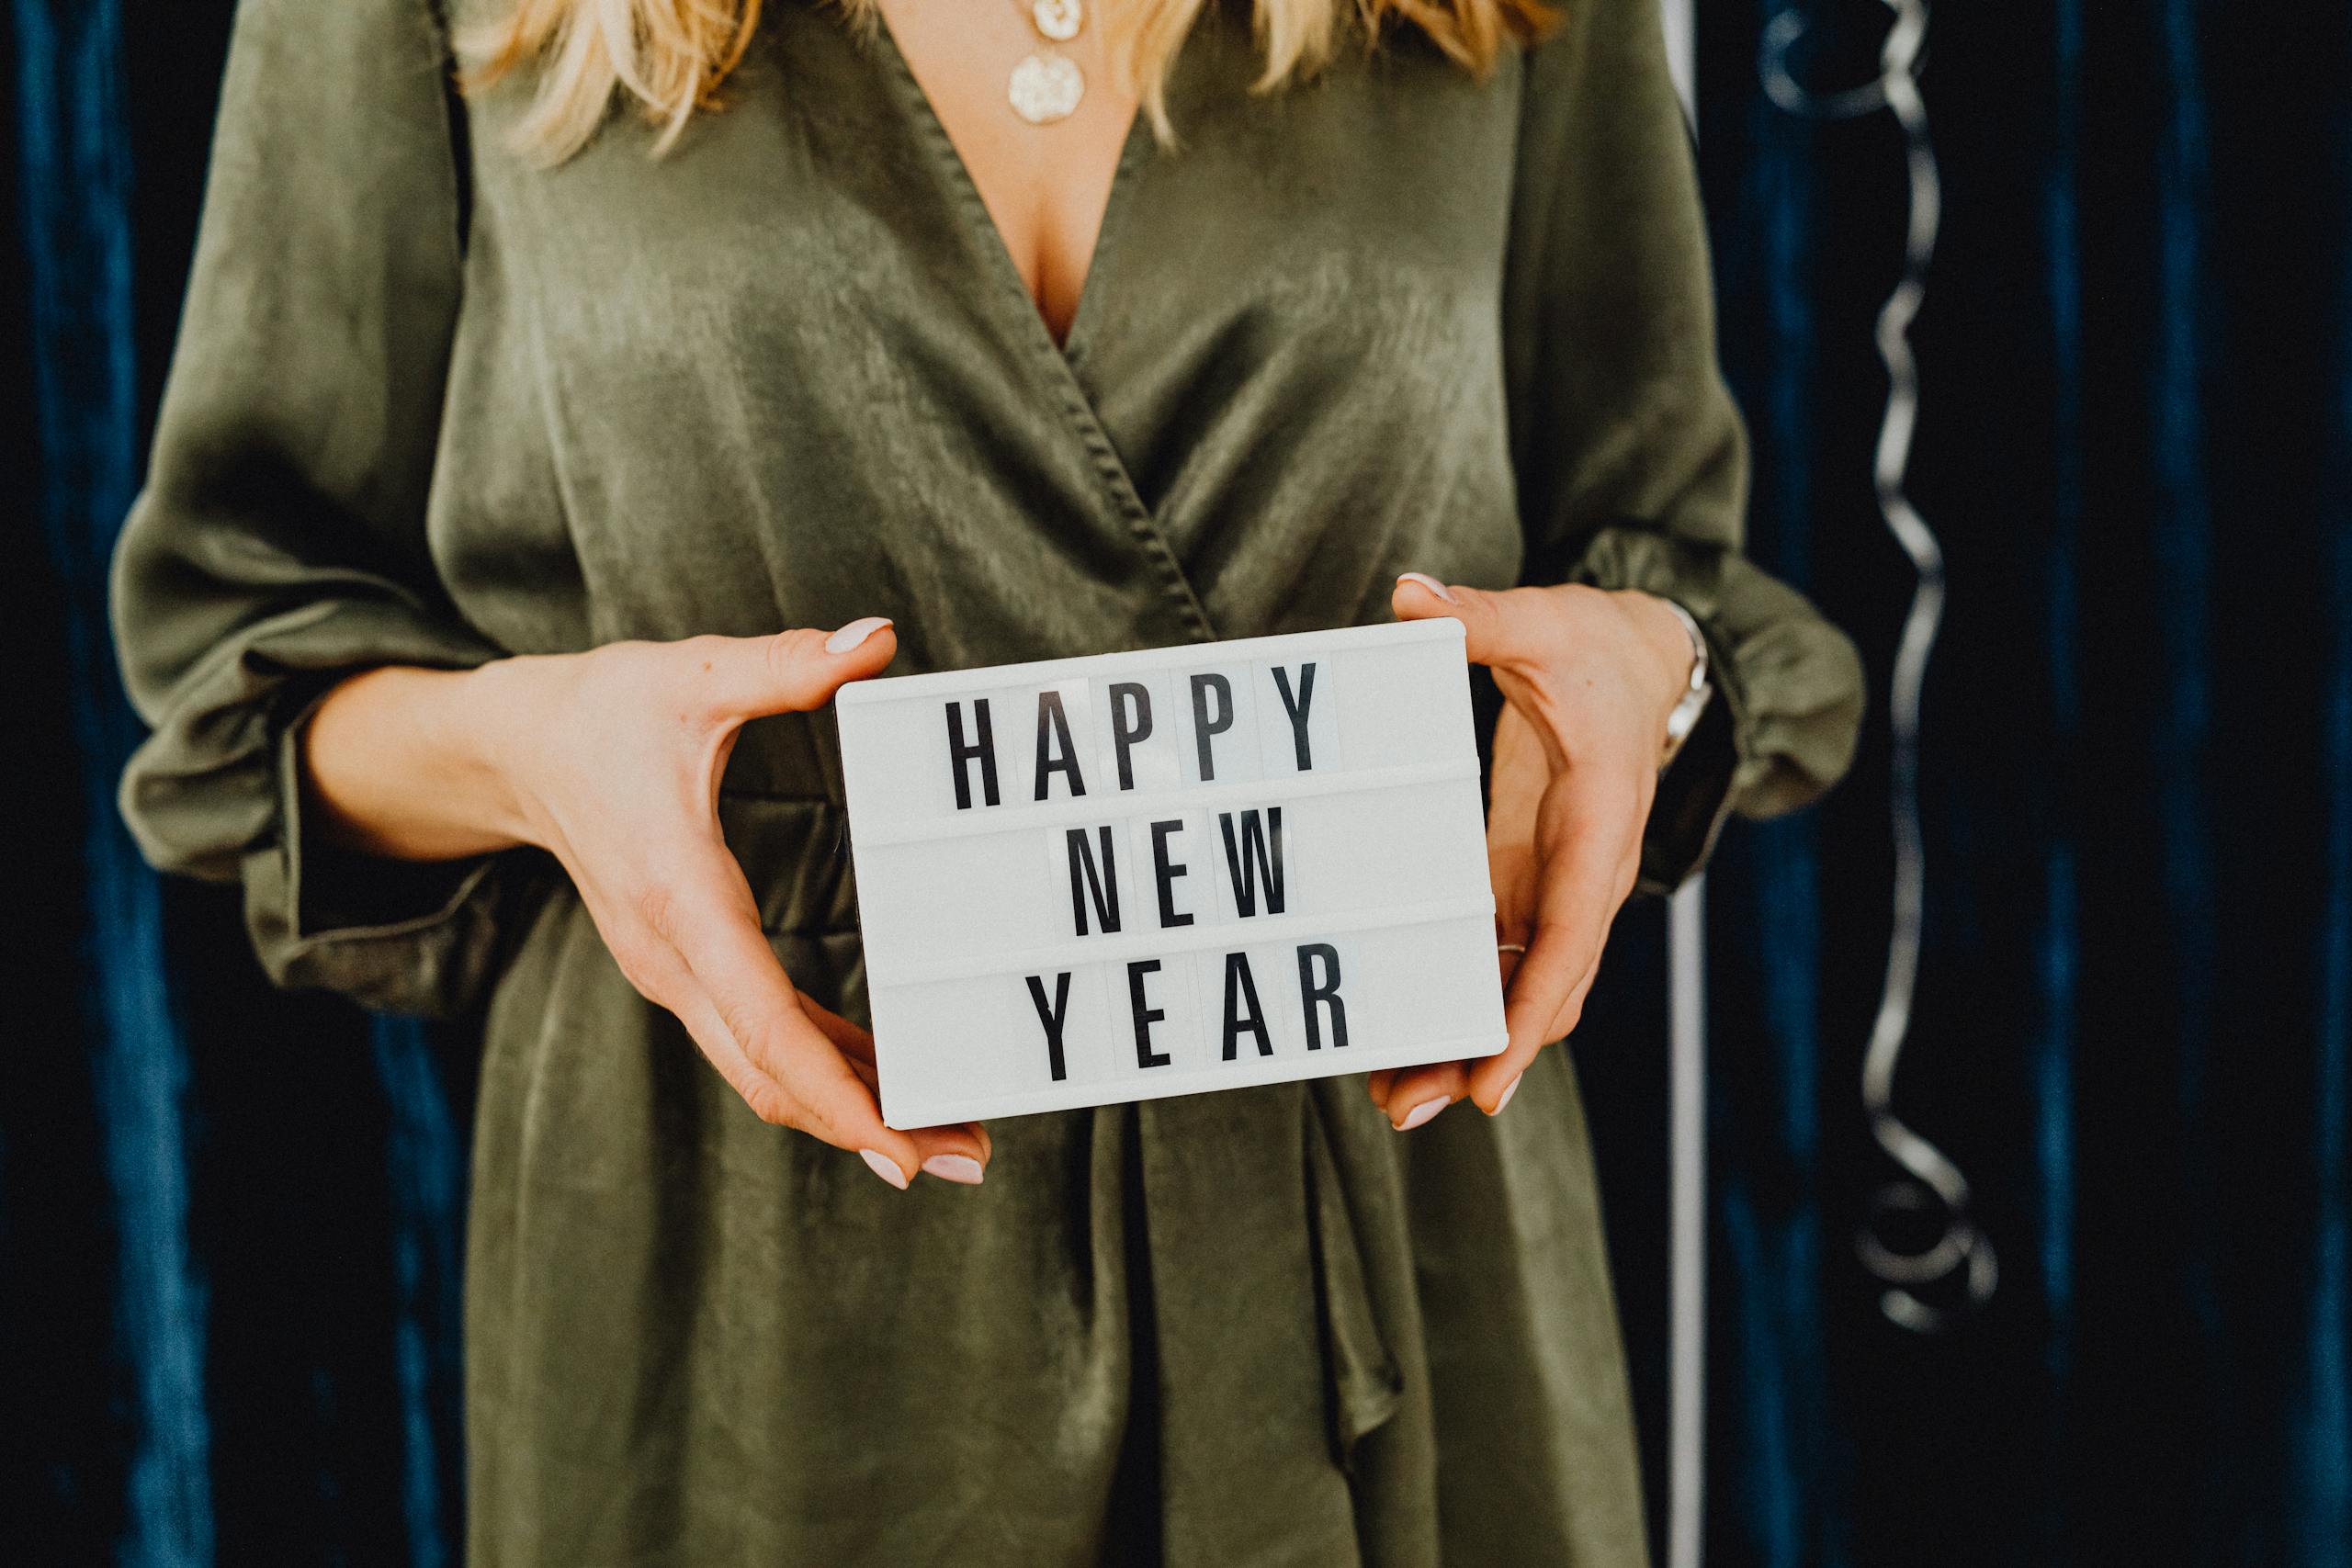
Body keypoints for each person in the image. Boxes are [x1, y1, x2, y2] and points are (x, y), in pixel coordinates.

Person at [110, 0, 1864, 1560]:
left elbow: (1669, 563)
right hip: (742, 1276)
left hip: (1397, 1209)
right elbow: (241, 692)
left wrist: (1659, 673)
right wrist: (535, 755)